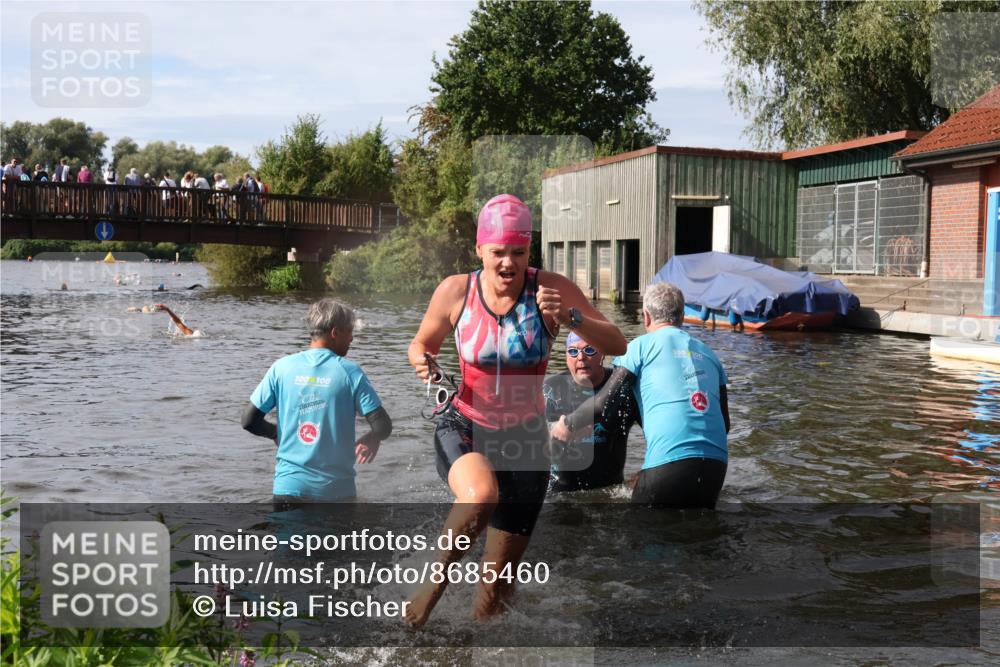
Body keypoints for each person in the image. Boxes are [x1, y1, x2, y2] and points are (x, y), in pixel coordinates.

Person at [404, 193, 626, 627]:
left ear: (530, 250)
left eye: (519, 253)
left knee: (493, 601)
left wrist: (572, 318)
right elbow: (421, 344)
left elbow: (617, 345)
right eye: (498, 252)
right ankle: (427, 593)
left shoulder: (551, 288)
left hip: (526, 442)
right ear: (480, 249)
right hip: (466, 423)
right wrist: (421, 360)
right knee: (481, 495)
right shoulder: (456, 290)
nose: (508, 263)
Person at [551, 282, 730, 508]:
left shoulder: (639, 346)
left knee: (637, 534)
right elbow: (725, 424)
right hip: (716, 469)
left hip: (669, 465)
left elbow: (605, 402)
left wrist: (568, 424)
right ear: (682, 316)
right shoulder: (710, 354)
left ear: (646, 316)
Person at [241, 299, 392, 506]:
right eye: (349, 331)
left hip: (288, 488)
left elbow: (249, 421)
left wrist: (275, 433)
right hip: (336, 492)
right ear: (335, 332)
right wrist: (373, 437)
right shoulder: (350, 373)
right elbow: (383, 425)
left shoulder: (281, 368)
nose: (352, 338)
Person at [544, 331, 640, 493]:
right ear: (567, 357)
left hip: (611, 491)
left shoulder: (620, 388)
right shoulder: (552, 389)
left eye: (589, 350)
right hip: (561, 492)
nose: (581, 357)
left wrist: (646, 475)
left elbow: (655, 429)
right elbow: (529, 436)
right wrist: (557, 429)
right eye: (573, 352)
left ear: (602, 354)